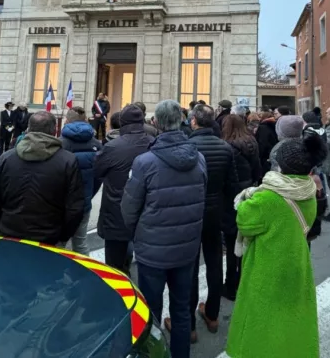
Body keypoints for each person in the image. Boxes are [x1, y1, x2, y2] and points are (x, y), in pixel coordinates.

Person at [224, 135, 324, 358]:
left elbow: (245, 222)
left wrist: (247, 198)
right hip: (296, 259)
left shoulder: (269, 198)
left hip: (269, 264)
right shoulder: (307, 189)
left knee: (263, 317)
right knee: (291, 314)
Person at [121, 100, 207, 358]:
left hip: (152, 249)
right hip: (187, 247)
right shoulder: (199, 158)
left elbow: (129, 208)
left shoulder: (144, 162)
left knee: (151, 312)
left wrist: (137, 234)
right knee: (182, 309)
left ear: (156, 123)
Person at [0, 111, 85, 245]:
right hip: (46, 235)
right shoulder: (68, 160)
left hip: (14, 233)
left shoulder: (5, 158)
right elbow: (75, 206)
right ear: (55, 130)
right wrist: (63, 234)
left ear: (28, 129)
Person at [185, 103, 238, 338]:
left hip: (192, 211)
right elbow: (232, 185)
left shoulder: (187, 146)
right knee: (215, 262)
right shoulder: (225, 148)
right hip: (215, 212)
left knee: (190, 265)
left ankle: (188, 324)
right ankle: (213, 314)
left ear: (194, 121)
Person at [94, 104, 153, 272]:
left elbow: (97, 171)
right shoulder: (153, 142)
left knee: (114, 268)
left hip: (116, 213)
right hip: (146, 212)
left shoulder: (112, 147)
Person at [221, 114, 258, 301]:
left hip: (231, 199)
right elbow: (258, 170)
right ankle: (244, 282)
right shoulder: (252, 142)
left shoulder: (227, 147)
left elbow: (226, 177)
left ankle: (230, 284)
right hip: (248, 195)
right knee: (246, 241)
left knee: (231, 243)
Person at [60, 107, 102, 255]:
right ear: (85, 120)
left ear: (67, 121)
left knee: (59, 244)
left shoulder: (60, 143)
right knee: (81, 243)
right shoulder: (97, 144)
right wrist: (88, 195)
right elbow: (98, 177)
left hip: (62, 204)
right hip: (84, 202)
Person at [254, 110, 278, 182]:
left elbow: (262, 144)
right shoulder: (276, 125)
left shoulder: (263, 127)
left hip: (264, 158)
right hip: (274, 155)